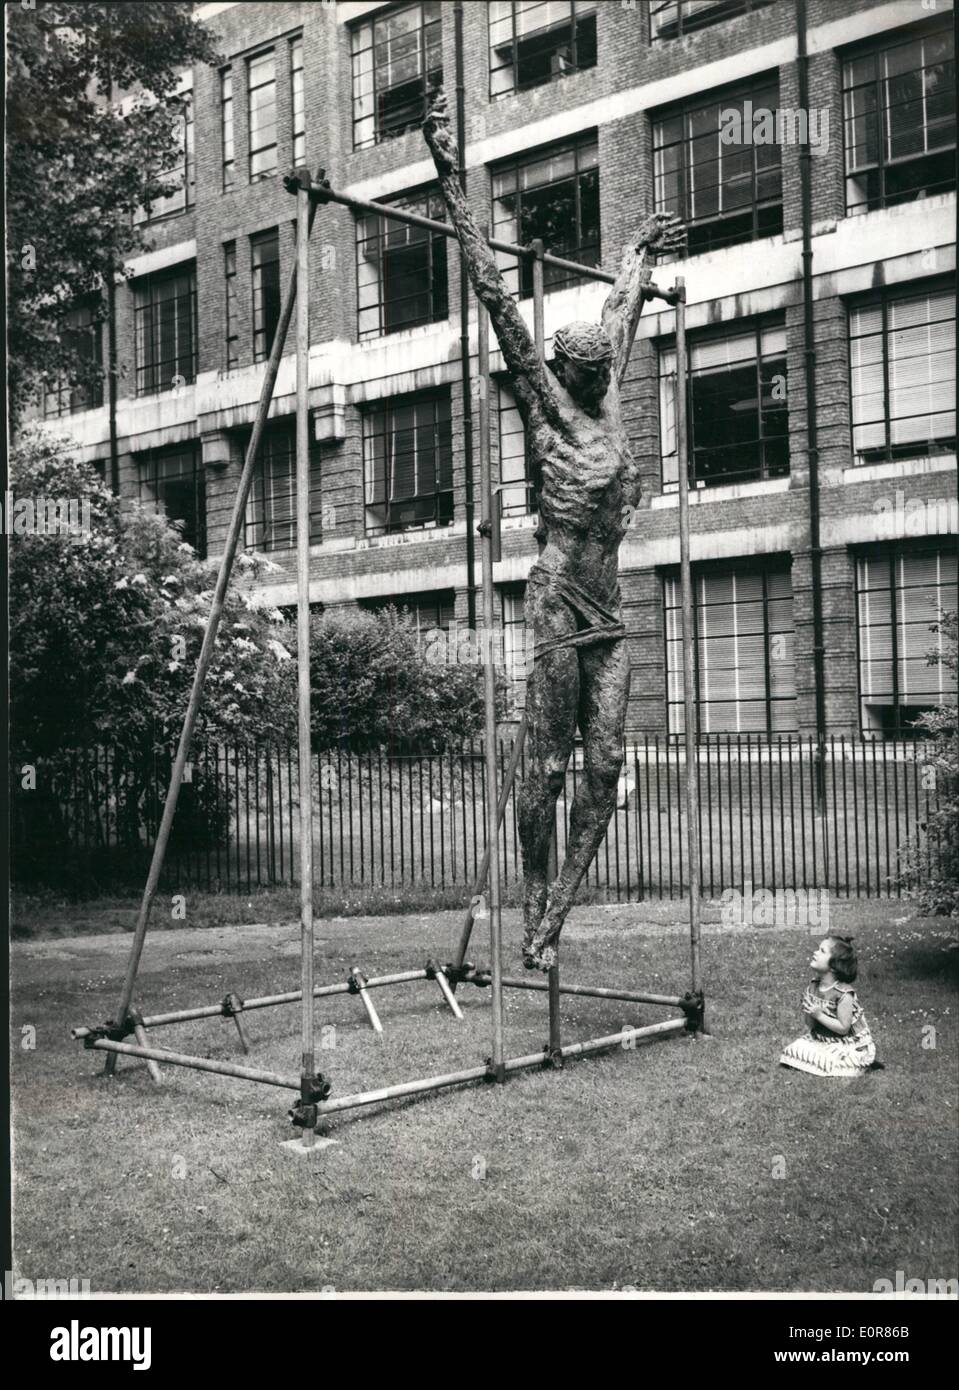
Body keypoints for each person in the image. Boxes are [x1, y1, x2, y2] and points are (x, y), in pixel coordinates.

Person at [422, 89, 685, 971]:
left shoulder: (605, 383)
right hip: (556, 597)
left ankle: (556, 911)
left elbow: (621, 304)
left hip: (608, 601)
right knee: (544, 764)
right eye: (585, 369)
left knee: (606, 765)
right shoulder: (545, 402)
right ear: (560, 373)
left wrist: (635, 253)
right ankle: (534, 900)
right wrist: (450, 180)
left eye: (603, 365)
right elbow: (494, 293)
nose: (597, 373)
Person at [780, 936, 880, 1077]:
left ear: (834, 966)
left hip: (846, 1042)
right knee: (792, 1050)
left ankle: (856, 1064)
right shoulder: (813, 986)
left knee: (831, 1061)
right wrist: (809, 1012)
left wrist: (819, 1015)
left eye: (822, 951)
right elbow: (811, 1025)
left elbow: (843, 1028)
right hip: (823, 1039)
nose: (815, 952)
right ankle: (823, 1062)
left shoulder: (843, 994)